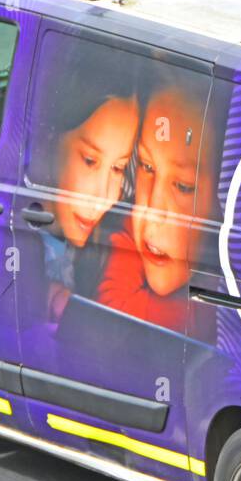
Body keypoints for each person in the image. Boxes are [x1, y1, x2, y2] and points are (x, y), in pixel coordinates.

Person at [98, 79, 216, 333]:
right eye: (147, 167)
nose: (152, 210)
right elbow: (115, 305)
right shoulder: (130, 226)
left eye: (184, 186)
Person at [40, 94, 138, 321]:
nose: (104, 197)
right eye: (89, 161)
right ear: (50, 143)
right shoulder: (2, 240)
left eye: (118, 168)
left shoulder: (98, 247)